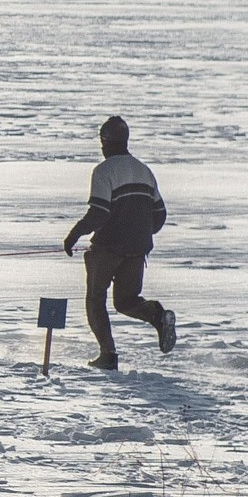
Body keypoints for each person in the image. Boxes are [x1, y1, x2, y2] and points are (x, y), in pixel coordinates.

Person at [63, 114, 176, 370]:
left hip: (109, 249)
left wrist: (74, 234)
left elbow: (99, 213)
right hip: (137, 250)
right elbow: (160, 214)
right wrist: (140, 234)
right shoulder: (143, 169)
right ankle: (157, 316)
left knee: (95, 299)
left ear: (104, 142)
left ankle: (108, 355)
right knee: (126, 300)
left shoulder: (104, 171)